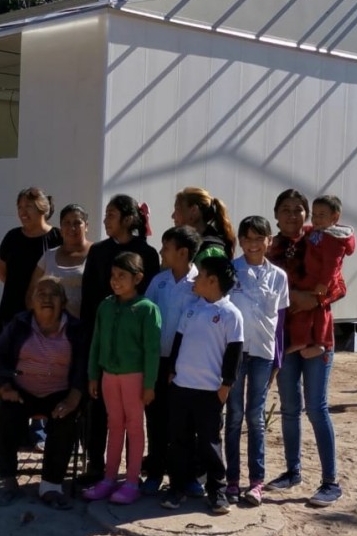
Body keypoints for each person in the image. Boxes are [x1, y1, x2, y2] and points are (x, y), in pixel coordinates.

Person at [265, 189, 344, 507]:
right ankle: (292, 471)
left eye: (298, 210)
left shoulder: (321, 240)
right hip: (285, 340)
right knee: (288, 409)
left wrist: (314, 298)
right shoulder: (270, 248)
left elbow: (338, 284)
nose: (292, 215)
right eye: (285, 209)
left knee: (316, 407)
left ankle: (330, 481)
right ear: (276, 214)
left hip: (316, 338)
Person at [80, 194, 160, 483]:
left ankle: (132, 472)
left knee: (132, 416)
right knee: (100, 408)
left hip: (133, 351)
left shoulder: (147, 255)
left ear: (128, 219)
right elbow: (89, 296)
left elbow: (148, 301)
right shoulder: (98, 251)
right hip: (102, 339)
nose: (105, 220)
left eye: (111, 215)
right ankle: (96, 464)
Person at [0, 277, 87, 510]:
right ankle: (9, 481)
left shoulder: (75, 329)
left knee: (65, 421)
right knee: (3, 418)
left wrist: (74, 398)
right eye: (40, 293)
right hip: (22, 391)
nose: (46, 298)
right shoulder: (19, 324)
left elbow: (84, 367)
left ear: (63, 302)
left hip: (59, 393)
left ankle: (51, 487)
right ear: (31, 301)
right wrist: (5, 387)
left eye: (53, 294)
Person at [162, 256, 244, 514]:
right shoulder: (192, 308)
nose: (194, 280)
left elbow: (234, 353)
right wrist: (172, 371)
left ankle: (217, 491)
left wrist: (226, 385)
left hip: (210, 391)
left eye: (199, 276)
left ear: (212, 281)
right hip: (181, 387)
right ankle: (177, 487)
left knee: (209, 443)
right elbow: (178, 341)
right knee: (178, 440)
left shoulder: (231, 314)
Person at [224, 216, 289, 506]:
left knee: (256, 417)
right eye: (247, 238)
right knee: (234, 415)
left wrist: (277, 359)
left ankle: (256, 482)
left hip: (263, 353)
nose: (253, 244)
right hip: (236, 353)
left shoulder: (278, 276)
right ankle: (233, 480)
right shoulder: (231, 271)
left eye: (258, 238)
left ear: (269, 241)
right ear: (239, 240)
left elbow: (281, 323)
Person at [141, 226, 202, 496]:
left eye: (166, 247)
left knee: (185, 423)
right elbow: (145, 317)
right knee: (156, 419)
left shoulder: (200, 282)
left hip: (188, 365)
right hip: (158, 362)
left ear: (183, 252)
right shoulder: (159, 281)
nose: (162, 252)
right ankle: (154, 473)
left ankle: (185, 477)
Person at [286, 195, 355, 359]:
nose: (316, 219)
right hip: (312, 278)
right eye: (314, 214)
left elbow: (332, 264)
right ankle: (306, 340)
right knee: (306, 311)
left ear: (335, 217)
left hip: (320, 281)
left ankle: (320, 343)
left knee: (320, 311)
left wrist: (324, 283)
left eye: (321, 215)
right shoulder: (319, 232)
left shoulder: (334, 238)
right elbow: (310, 235)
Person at [0, 187, 62, 324]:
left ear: (42, 208)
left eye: (28, 206)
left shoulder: (58, 238)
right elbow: (3, 273)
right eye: (20, 207)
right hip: (12, 313)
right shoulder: (12, 237)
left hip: (46, 315)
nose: (23, 212)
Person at [26, 203, 92, 319]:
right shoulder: (49, 256)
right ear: (61, 228)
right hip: (52, 330)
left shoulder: (97, 253)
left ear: (86, 226)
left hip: (86, 329)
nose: (72, 228)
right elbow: (32, 292)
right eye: (67, 223)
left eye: (77, 223)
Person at [172, 187, 236, 260]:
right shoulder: (184, 243)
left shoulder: (211, 251)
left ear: (194, 210)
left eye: (177, 209)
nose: (173, 216)